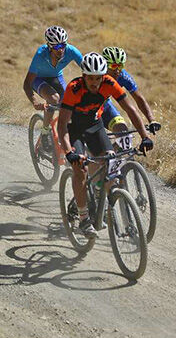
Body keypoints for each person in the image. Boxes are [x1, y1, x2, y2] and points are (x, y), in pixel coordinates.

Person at [57, 53, 154, 238]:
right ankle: (84, 218)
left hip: (95, 126)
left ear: (103, 76)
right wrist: (69, 151)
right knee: (80, 169)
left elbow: (130, 109)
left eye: (98, 78)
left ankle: (97, 191)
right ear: (83, 76)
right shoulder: (74, 88)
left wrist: (145, 136)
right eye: (90, 78)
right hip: (74, 129)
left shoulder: (109, 83)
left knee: (111, 159)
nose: (94, 82)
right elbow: (62, 125)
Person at [22, 26, 83, 142]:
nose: (61, 49)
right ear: (49, 46)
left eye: (63, 45)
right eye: (56, 46)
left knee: (69, 103)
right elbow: (27, 83)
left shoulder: (71, 51)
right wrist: (34, 101)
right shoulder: (41, 54)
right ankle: (45, 132)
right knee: (54, 99)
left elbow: (88, 71)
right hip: (38, 79)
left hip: (56, 78)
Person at [98, 47, 161, 136]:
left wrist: (152, 120)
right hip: (87, 109)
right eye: (113, 66)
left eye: (120, 66)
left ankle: (117, 149)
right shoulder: (96, 76)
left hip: (105, 106)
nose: (117, 71)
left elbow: (139, 98)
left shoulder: (123, 76)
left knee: (123, 132)